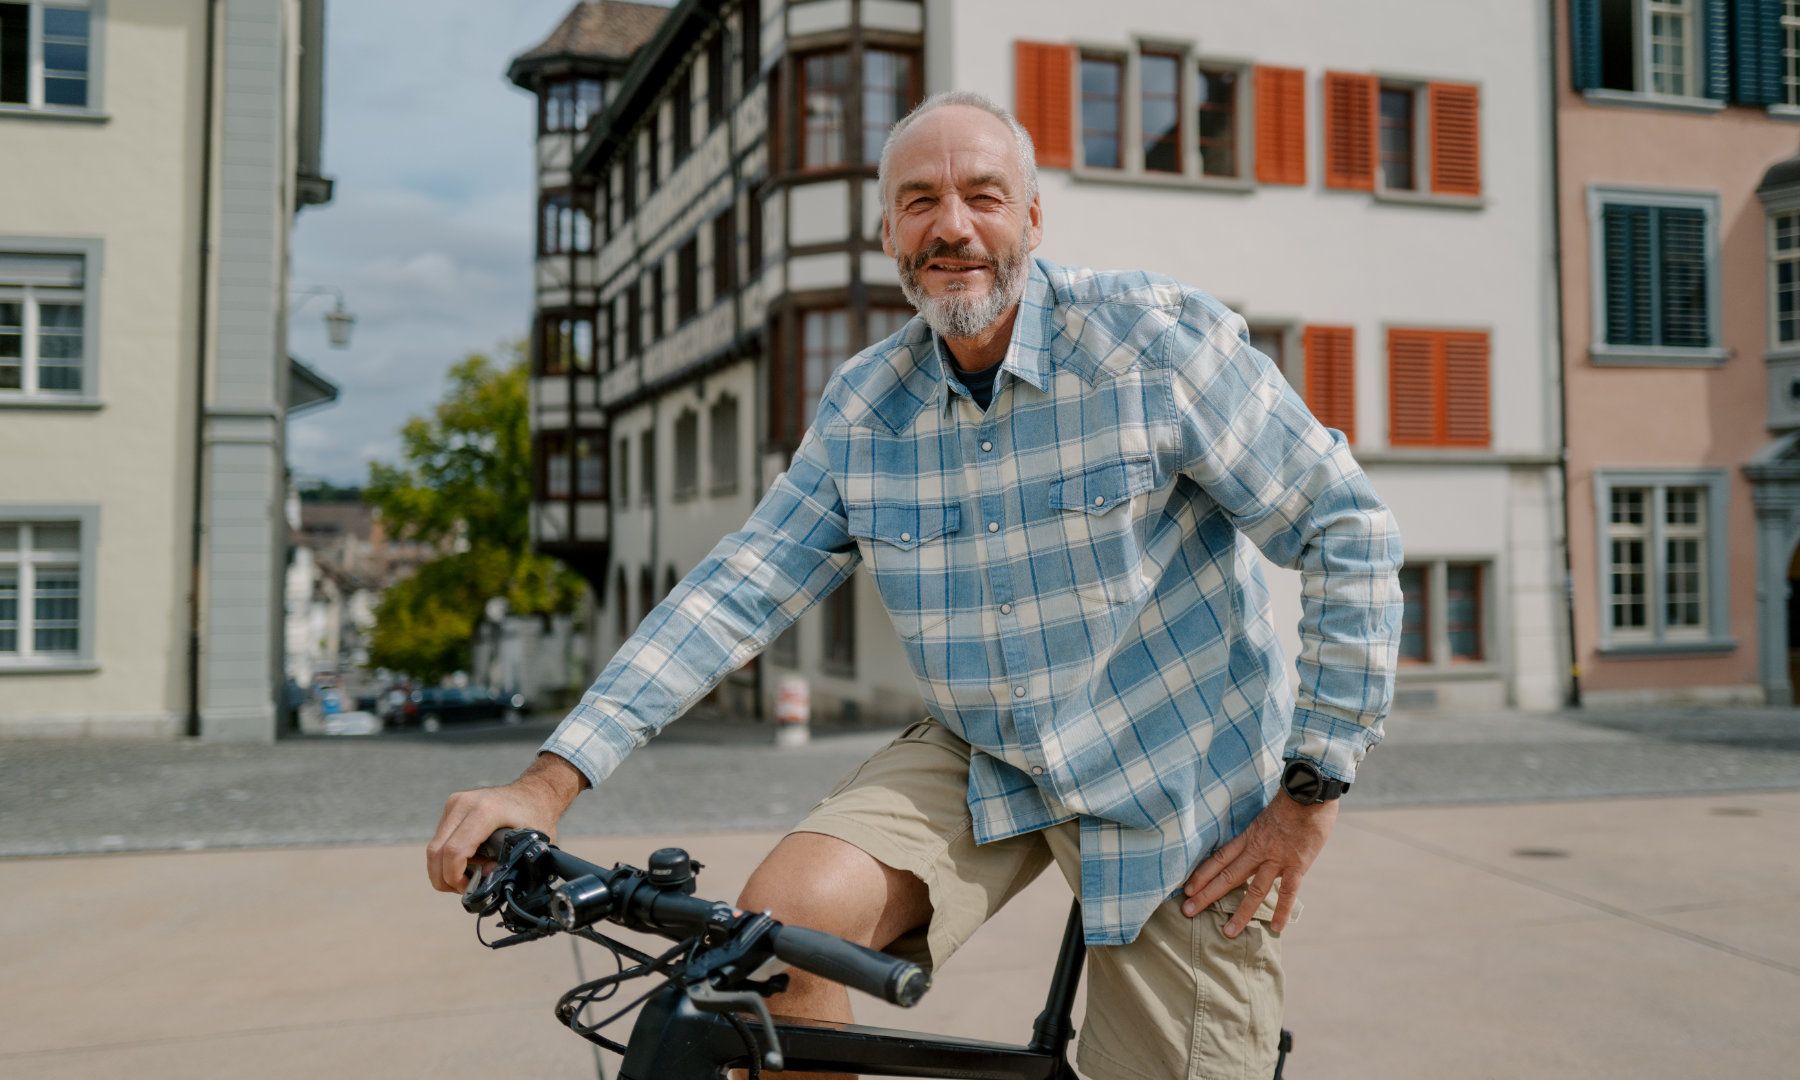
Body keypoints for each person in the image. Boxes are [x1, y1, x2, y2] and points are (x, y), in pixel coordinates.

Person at [428, 90, 1402, 1080]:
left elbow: (1345, 526)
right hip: (987, 748)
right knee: (774, 934)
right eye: (920, 199)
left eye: (984, 195)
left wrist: (1310, 789)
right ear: (886, 230)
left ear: (1031, 217)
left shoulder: (1154, 343)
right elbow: (737, 589)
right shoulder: (866, 409)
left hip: (1174, 768)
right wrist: (547, 783)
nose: (952, 225)